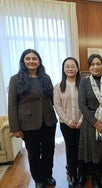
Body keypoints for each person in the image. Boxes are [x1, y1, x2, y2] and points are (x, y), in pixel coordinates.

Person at [8, 49, 57, 188]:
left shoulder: (46, 77)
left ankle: (48, 174)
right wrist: (15, 127)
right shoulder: (15, 79)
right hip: (28, 124)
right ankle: (38, 178)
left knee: (49, 151)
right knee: (34, 154)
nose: (31, 61)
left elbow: (53, 99)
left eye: (34, 58)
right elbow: (12, 105)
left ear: (39, 61)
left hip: (49, 121)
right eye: (28, 58)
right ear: (23, 61)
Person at [78, 54, 102, 188]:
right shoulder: (84, 82)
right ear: (89, 67)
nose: (95, 67)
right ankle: (94, 178)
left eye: (98, 64)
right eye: (92, 64)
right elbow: (82, 105)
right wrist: (95, 123)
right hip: (90, 123)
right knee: (92, 151)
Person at [53, 57, 82, 187]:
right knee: (71, 150)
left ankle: (81, 173)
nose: (70, 68)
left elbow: (86, 104)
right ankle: (72, 175)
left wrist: (81, 120)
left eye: (73, 66)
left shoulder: (83, 84)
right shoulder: (58, 87)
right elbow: (57, 106)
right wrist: (68, 121)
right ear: (63, 69)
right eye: (67, 66)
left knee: (81, 150)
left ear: (77, 68)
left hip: (83, 123)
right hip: (66, 125)